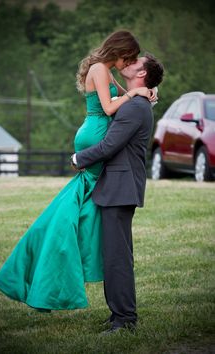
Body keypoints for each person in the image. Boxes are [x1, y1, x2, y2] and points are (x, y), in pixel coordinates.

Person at [0, 30, 154, 311]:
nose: (128, 63)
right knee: (68, 218)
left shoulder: (107, 70)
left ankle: (53, 261)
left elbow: (125, 102)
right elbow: (108, 106)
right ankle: (50, 269)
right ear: (121, 51)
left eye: (133, 62)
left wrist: (146, 92)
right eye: (129, 57)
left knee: (68, 214)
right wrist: (137, 92)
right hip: (94, 137)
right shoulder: (101, 69)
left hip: (99, 138)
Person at [72, 53, 164, 334]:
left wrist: (79, 158)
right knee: (115, 254)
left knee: (117, 256)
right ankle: (119, 315)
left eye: (137, 60)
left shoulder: (135, 108)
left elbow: (110, 145)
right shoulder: (135, 100)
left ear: (142, 74)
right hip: (117, 187)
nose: (131, 60)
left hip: (120, 188)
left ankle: (125, 320)